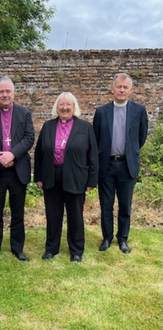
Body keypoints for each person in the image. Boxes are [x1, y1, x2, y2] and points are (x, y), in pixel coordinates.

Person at [34, 92, 98, 262]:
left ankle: (76, 251)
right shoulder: (48, 126)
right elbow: (39, 153)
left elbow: (93, 156)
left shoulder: (85, 128)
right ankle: (51, 249)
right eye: (61, 104)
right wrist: (38, 176)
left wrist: (92, 180)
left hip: (76, 177)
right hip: (51, 176)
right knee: (53, 215)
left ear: (74, 107)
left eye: (68, 104)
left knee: (75, 216)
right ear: (57, 107)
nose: (64, 107)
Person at [0, 76, 35, 262]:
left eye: (7, 91)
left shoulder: (24, 113)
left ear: (13, 93)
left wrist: (12, 155)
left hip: (18, 170)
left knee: (18, 212)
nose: (4, 95)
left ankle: (17, 248)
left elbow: (29, 137)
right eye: (1, 91)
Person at [93, 73, 148, 254]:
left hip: (127, 165)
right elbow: (96, 138)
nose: (121, 90)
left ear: (131, 90)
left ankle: (123, 239)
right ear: (113, 89)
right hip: (107, 166)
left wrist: (130, 153)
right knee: (106, 205)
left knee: (125, 205)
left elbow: (141, 137)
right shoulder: (101, 112)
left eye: (125, 87)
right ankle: (107, 238)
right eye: (119, 86)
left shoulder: (139, 111)